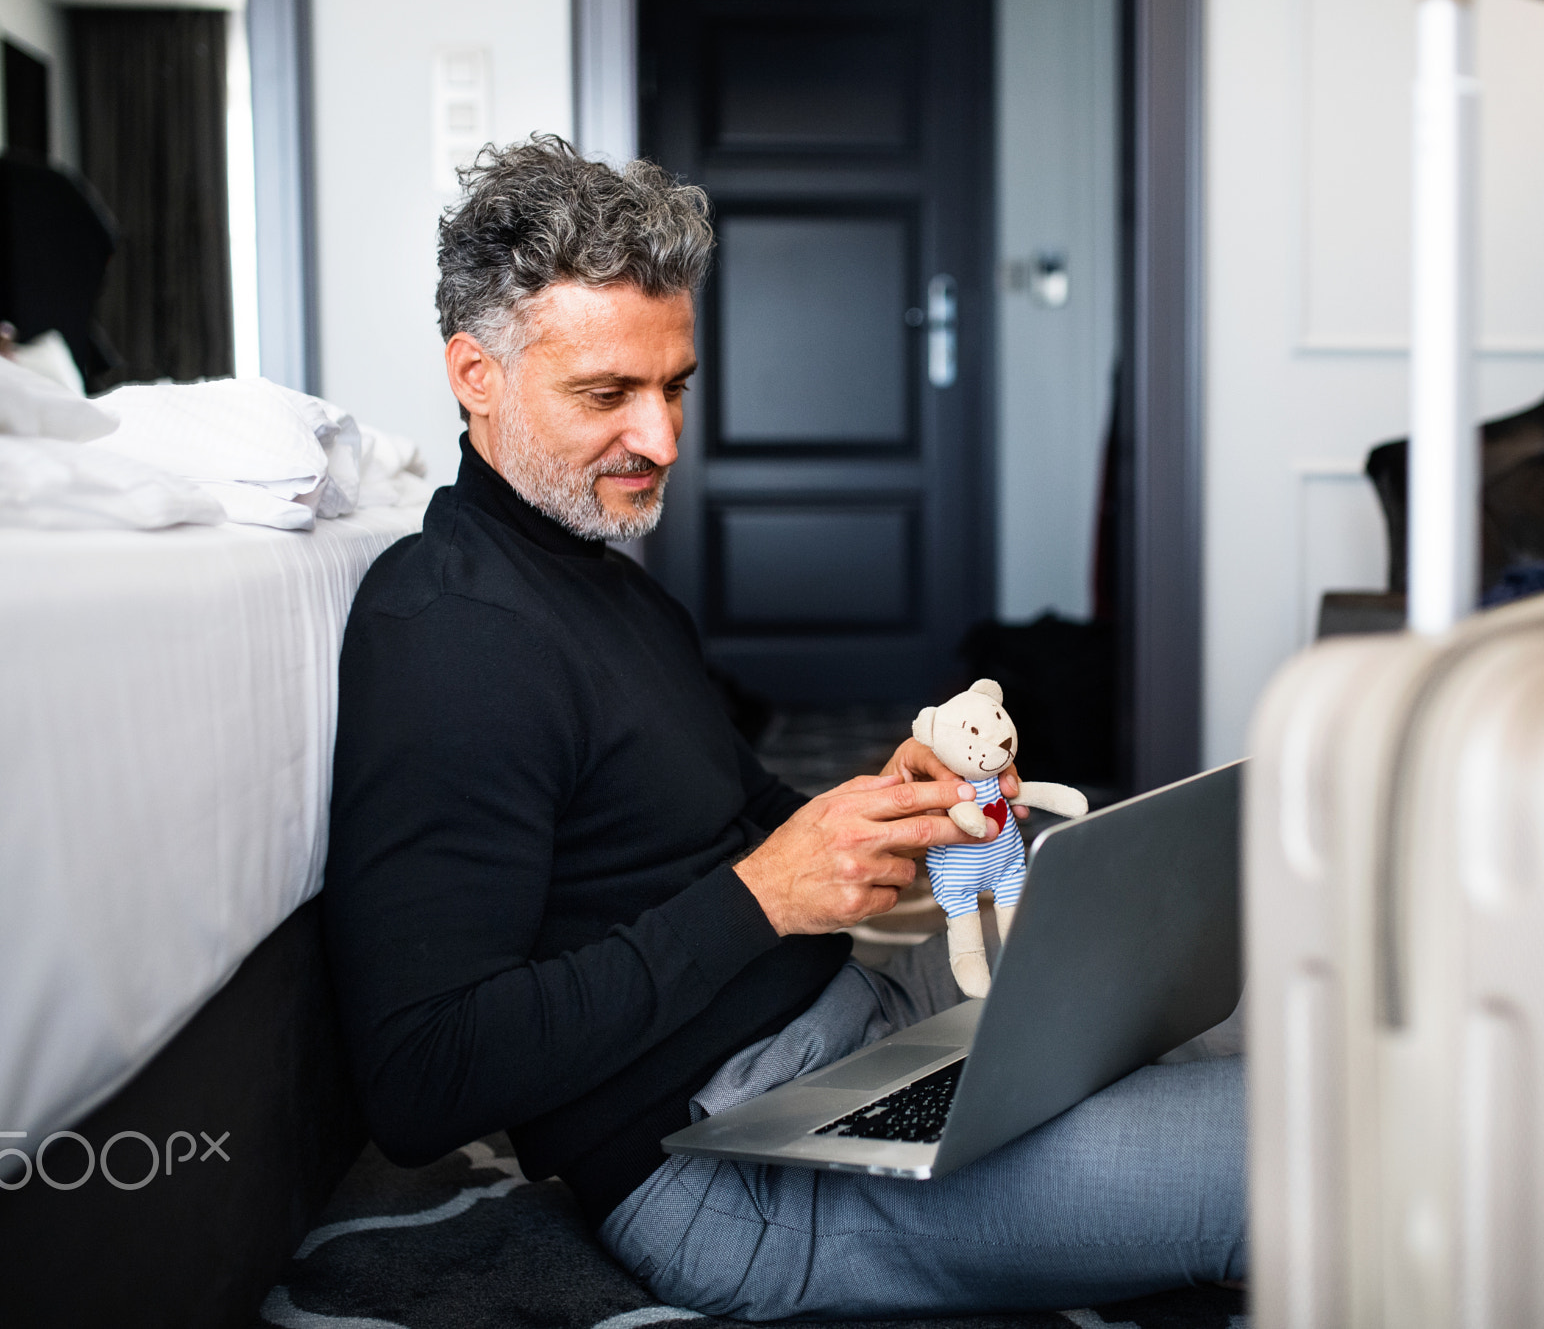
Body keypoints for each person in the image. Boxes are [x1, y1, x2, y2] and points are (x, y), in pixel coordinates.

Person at [324, 136, 1244, 1321]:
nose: (660, 440)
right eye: (606, 395)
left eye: (676, 386)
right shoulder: (444, 639)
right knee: (1321, 1154)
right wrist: (761, 895)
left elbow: (720, 825)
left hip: (851, 1046)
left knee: (1254, 1022)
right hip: (727, 1180)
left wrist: (884, 812)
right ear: (475, 374)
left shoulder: (604, 584)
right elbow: (421, 1081)